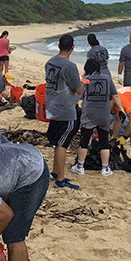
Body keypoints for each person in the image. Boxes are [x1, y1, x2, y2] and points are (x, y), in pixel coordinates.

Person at [71, 59, 124, 177]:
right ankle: (105, 169)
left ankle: (80, 167)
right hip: (103, 114)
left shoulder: (85, 80)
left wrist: (72, 108)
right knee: (104, 142)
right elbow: (115, 95)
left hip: (89, 113)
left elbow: (78, 97)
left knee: (84, 141)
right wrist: (121, 109)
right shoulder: (107, 78)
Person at [45, 34, 84, 189]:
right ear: (72, 48)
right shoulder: (70, 66)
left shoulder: (50, 63)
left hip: (52, 107)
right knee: (63, 144)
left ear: (59, 46)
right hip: (65, 109)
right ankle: (60, 179)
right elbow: (78, 88)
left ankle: (55, 171)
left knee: (58, 141)